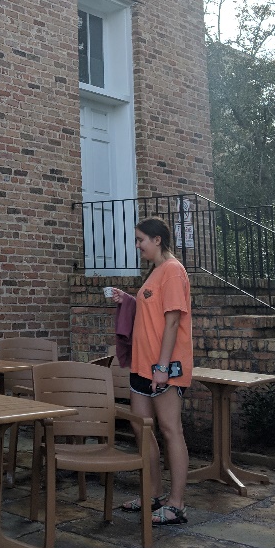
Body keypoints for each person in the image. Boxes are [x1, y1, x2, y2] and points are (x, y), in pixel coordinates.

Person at [110, 217, 192, 525]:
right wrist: (127, 300)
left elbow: (172, 322)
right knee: (142, 428)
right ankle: (154, 493)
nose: (137, 245)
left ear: (157, 240)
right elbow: (151, 312)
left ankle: (177, 504)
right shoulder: (156, 271)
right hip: (142, 365)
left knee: (171, 431)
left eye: (140, 239)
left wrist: (162, 367)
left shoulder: (173, 270)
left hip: (163, 368)